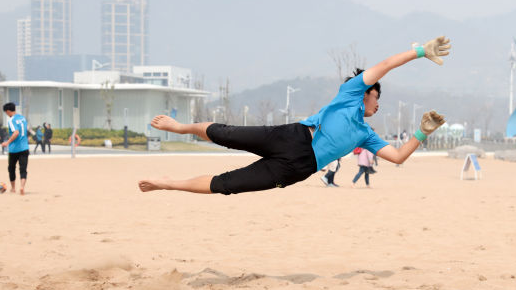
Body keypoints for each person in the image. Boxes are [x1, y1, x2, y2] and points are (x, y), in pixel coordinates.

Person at [138, 35, 450, 195]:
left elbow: (396, 157)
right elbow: (384, 65)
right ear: (367, 92)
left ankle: (169, 184)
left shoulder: (365, 134)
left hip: (299, 167)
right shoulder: (350, 94)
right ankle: (181, 127)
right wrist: (420, 52)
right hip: (293, 135)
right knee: (227, 133)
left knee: (229, 184)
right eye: (377, 97)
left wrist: (422, 133)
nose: (378, 105)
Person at [0, 102, 30, 195]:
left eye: (6, 113)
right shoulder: (22, 118)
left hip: (14, 149)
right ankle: (22, 187)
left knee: (11, 168)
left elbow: (16, 132)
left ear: (8, 111)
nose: (6, 115)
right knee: (23, 169)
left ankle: (13, 188)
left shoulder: (11, 120)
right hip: (25, 147)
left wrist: (7, 142)